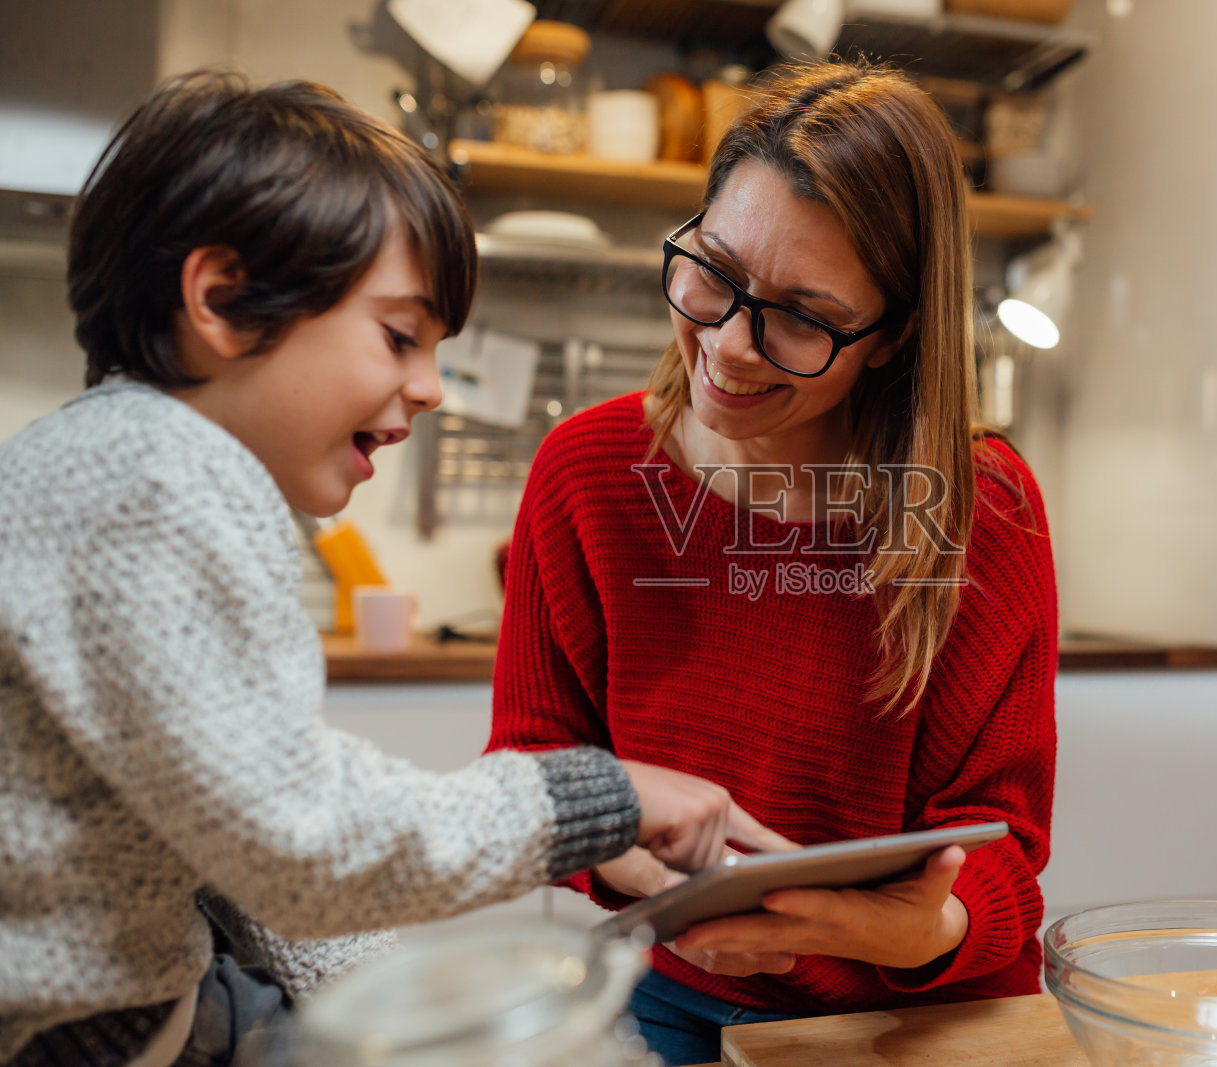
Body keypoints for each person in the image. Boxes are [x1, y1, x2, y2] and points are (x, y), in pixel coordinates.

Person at [0, 73, 790, 1067]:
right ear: (222, 299)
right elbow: (303, 835)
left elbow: (238, 845)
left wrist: (370, 1003)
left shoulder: (125, 463)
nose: (428, 389)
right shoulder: (152, 484)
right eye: (399, 335)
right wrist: (597, 798)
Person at [489, 60, 1059, 1065]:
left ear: (894, 336)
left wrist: (922, 928)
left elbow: (1001, 846)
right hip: (671, 993)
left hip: (918, 1011)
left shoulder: (985, 512)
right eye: (712, 269)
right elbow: (533, 766)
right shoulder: (585, 471)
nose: (731, 343)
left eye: (800, 314)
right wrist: (630, 861)